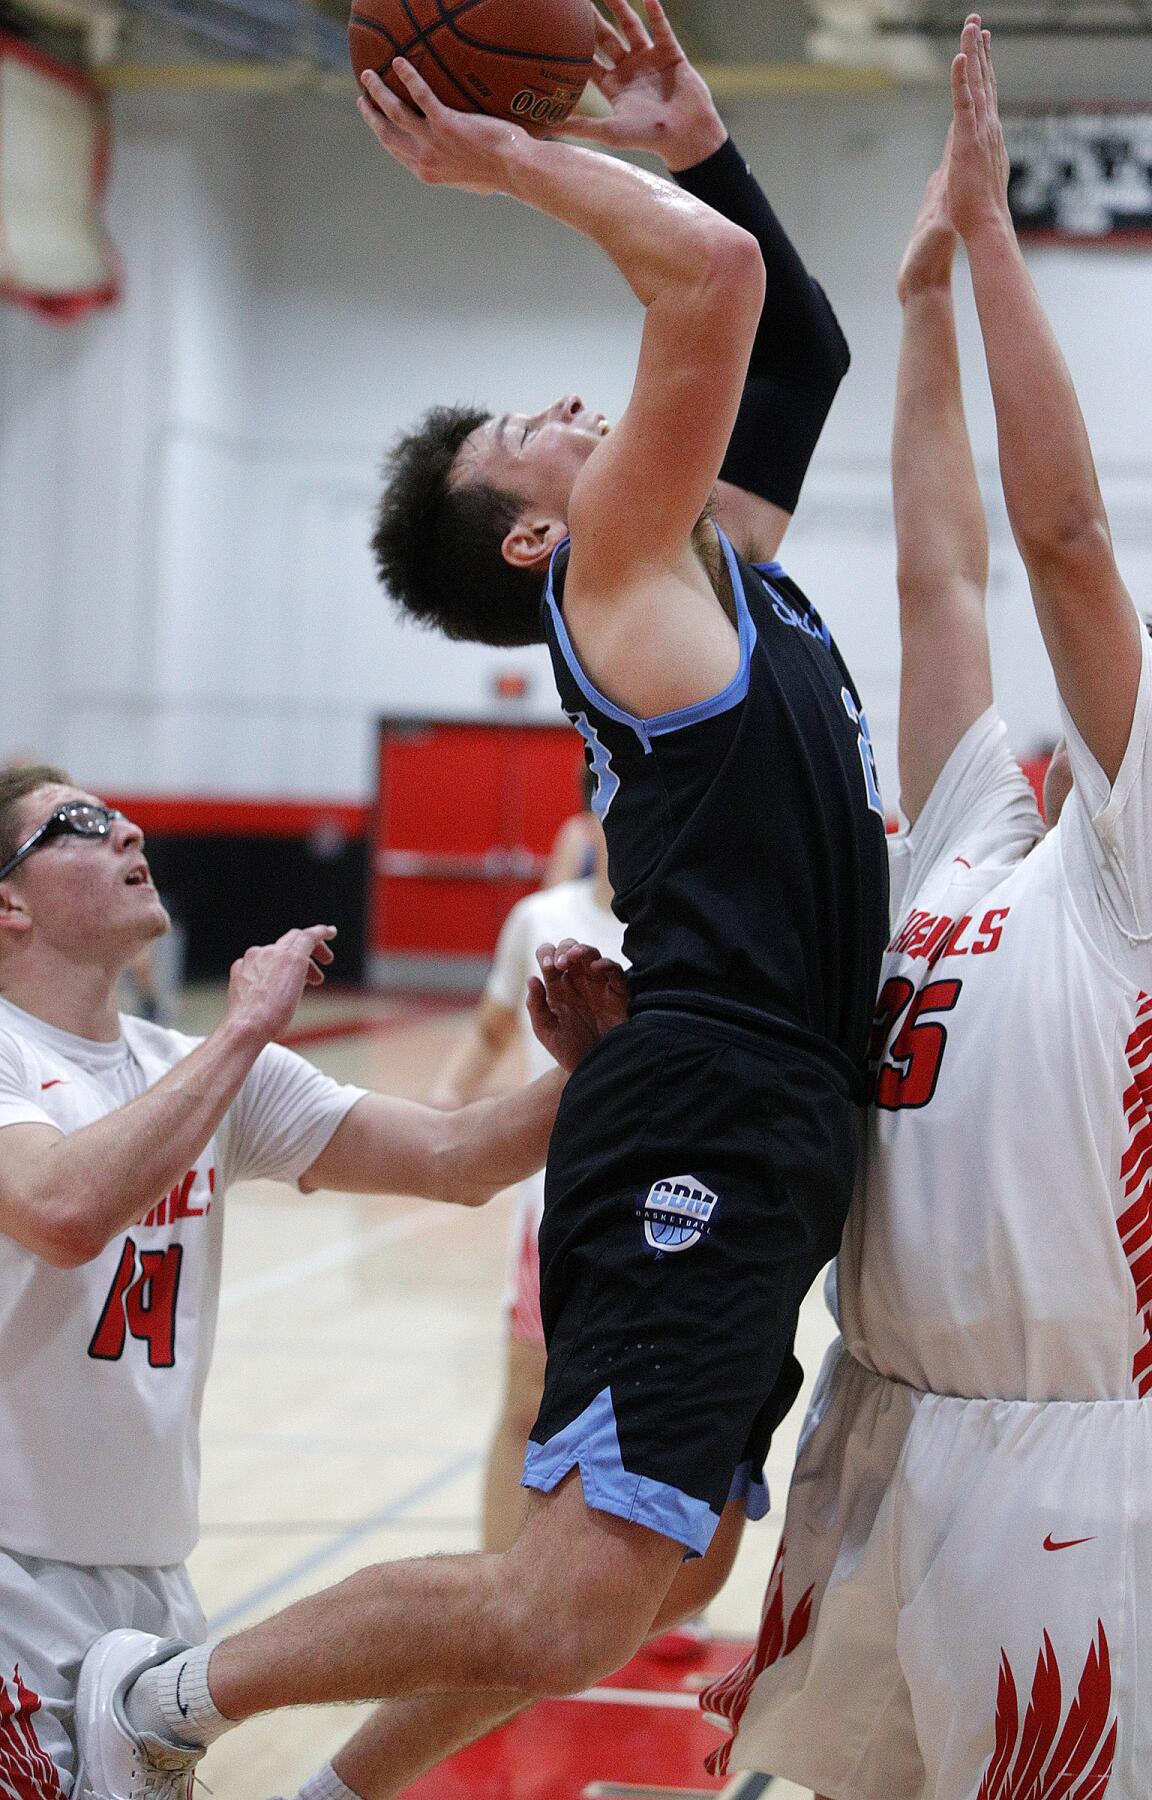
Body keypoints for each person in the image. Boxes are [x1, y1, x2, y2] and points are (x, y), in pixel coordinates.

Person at [74, 4, 889, 1795]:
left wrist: (696, 136)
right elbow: (715, 289)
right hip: (714, 1097)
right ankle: (158, 1695)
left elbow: (797, 347)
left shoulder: (701, 562)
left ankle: (344, 1785)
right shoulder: (618, 574)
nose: (585, 410)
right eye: (542, 427)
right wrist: (505, 156)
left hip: (772, 1093)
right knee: (560, 1601)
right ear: (538, 536)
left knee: (656, 1580)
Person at [702, 21, 1152, 1798]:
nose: (1095, 697)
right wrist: (917, 305)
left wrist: (995, 242)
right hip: (882, 1417)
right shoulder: (983, 847)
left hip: (1064, 1458)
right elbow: (942, 573)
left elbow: (1060, 541)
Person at [0, 762, 623, 1800]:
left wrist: (603, 1064)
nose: (127, 831)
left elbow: (457, 1156)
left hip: (149, 1583)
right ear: (7, 901)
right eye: (79, 824)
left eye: (121, 814)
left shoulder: (186, 1067)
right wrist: (244, 1031)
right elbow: (63, 1211)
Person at [429, 783, 624, 1554]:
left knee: (655, 1411)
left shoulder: (696, 924)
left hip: (667, 1210)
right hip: (559, 1207)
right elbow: (489, 1029)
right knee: (525, 1406)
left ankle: (667, 1597)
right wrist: (444, 1107)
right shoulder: (543, 920)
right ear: (589, 817)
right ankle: (493, 1583)